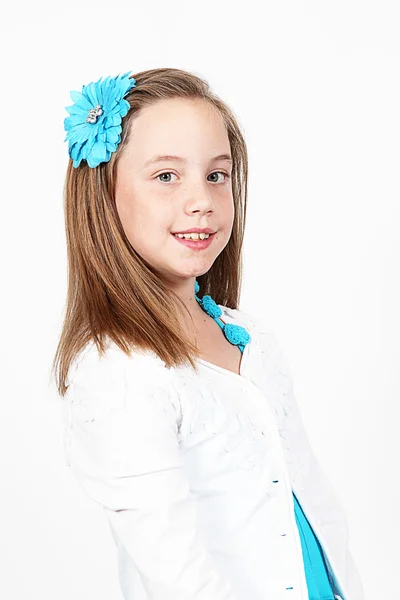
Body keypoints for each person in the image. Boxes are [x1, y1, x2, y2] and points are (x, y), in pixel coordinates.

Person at [52, 68, 364, 600]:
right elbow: (176, 571)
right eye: (167, 176)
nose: (202, 200)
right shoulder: (118, 370)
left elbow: (313, 503)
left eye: (216, 175)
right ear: (106, 194)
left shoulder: (251, 339)